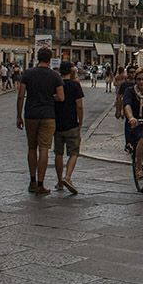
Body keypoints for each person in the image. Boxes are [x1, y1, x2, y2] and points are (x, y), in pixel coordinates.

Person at [17, 47, 65, 195]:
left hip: (30, 114)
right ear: (50, 59)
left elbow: (20, 95)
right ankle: (40, 184)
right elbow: (61, 97)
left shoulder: (28, 74)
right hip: (48, 115)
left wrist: (18, 115)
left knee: (31, 148)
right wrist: (50, 97)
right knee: (44, 149)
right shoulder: (55, 76)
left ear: (37, 58)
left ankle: (32, 181)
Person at [53, 61, 84, 194]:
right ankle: (68, 177)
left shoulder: (56, 85)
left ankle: (60, 180)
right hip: (71, 123)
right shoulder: (75, 86)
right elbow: (80, 105)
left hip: (57, 123)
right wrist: (80, 121)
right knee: (73, 152)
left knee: (58, 153)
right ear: (71, 71)